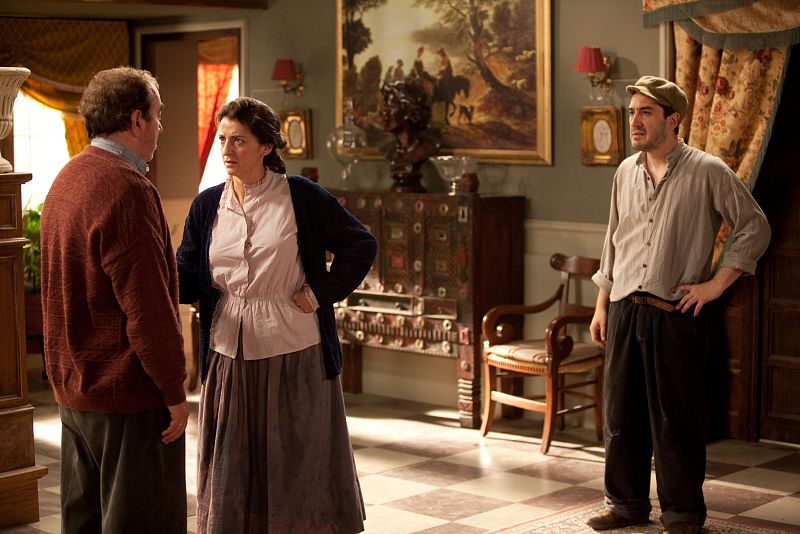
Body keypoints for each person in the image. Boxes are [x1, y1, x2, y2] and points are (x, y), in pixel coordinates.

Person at [176, 96, 375, 533]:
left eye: (239, 141)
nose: (227, 150)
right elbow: (187, 276)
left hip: (294, 346)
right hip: (228, 349)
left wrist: (320, 293)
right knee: (233, 460)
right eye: (223, 139)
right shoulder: (207, 205)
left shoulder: (300, 196)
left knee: (294, 456)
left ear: (266, 146)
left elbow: (361, 244)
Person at [587, 76, 770, 534]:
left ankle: (683, 512)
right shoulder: (625, 171)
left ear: (672, 119)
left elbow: (754, 226)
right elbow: (613, 239)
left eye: (645, 112)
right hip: (624, 308)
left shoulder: (708, 171)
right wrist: (602, 304)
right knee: (620, 415)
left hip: (675, 313)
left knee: (677, 418)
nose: (634, 121)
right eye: (632, 112)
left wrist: (715, 285)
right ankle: (625, 504)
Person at [40, 67, 188, 533]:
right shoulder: (126, 188)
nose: (161, 127)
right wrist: (174, 390)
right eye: (158, 116)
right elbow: (148, 309)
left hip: (76, 390)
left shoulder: (67, 177)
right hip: (127, 395)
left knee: (83, 523)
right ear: (136, 119)